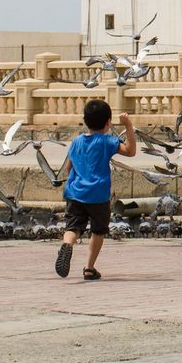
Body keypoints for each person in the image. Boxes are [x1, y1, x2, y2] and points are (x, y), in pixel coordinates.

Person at [54, 99, 136, 280]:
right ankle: (89, 268)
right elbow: (130, 151)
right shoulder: (107, 141)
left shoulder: (76, 142)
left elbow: (68, 167)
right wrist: (128, 126)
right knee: (98, 231)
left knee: (73, 227)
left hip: (75, 193)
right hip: (98, 195)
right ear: (108, 122)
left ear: (85, 120)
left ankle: (67, 245)